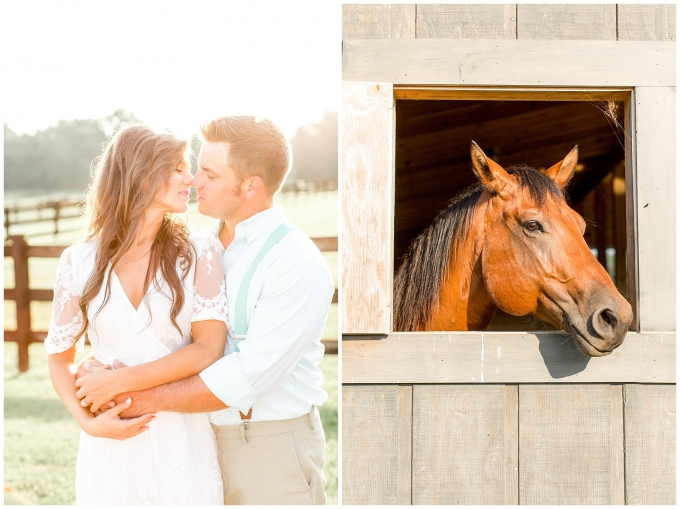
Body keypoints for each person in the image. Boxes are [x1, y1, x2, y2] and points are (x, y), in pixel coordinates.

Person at [80, 116, 335, 505]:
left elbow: (247, 377)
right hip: (192, 442)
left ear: (250, 185)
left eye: (210, 174)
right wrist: (99, 369)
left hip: (265, 448)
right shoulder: (192, 250)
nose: (194, 180)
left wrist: (129, 394)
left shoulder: (296, 263)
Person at [46, 125, 226, 505]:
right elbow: (60, 358)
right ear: (142, 176)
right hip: (111, 445)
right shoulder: (77, 262)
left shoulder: (200, 253)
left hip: (182, 437)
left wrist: (119, 383)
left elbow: (208, 348)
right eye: (177, 168)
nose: (190, 178)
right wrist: (89, 422)